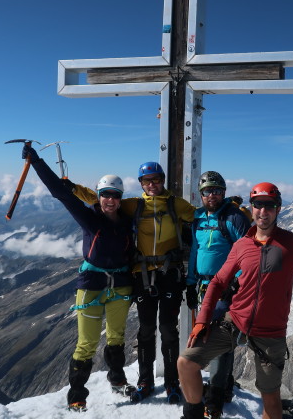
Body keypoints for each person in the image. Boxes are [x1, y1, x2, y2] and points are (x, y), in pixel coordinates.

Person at [177, 182, 293, 419]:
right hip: (234, 321)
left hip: (270, 331)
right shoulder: (241, 245)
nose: (262, 212)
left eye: (269, 206)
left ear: (278, 209)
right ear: (252, 208)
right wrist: (202, 320)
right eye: (258, 205)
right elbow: (217, 282)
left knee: (271, 400)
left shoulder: (292, 243)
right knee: (186, 364)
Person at [22, 144, 136, 412]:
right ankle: (77, 394)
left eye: (115, 196)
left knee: (117, 336)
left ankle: (117, 380)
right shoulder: (90, 218)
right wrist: (37, 162)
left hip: (120, 284)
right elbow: (60, 194)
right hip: (93, 284)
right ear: (99, 197)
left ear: (121, 198)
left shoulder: (130, 220)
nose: (110, 200)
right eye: (105, 195)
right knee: (87, 342)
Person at [71, 161, 195, 404]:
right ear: (141, 184)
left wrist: (233, 210)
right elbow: (100, 198)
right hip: (142, 274)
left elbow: (201, 216)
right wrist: (72, 187)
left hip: (169, 275)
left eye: (156, 180)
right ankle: (145, 380)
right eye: (147, 181)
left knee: (169, 330)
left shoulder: (176, 204)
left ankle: (172, 381)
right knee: (146, 330)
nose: (152, 185)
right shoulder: (134, 205)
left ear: (163, 181)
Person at [186, 171, 251, 418]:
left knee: (220, 339)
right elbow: (195, 251)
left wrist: (237, 284)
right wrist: (191, 283)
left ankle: (215, 398)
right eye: (207, 191)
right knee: (214, 337)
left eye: (216, 191)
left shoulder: (234, 218)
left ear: (223, 192)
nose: (212, 195)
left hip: (226, 289)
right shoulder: (198, 218)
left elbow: (247, 254)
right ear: (201, 194)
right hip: (204, 286)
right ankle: (221, 386)